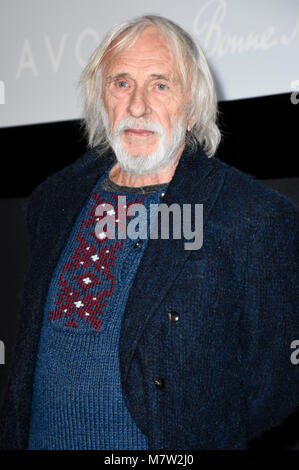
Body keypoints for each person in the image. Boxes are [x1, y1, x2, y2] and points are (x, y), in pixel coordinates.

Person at [0, 14, 298, 450]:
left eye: (160, 85)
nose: (137, 106)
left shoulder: (251, 215)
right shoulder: (54, 199)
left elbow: (278, 380)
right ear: (102, 97)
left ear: (192, 107)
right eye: (122, 83)